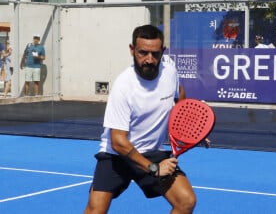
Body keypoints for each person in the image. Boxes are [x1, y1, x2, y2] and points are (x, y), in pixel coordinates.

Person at [84, 25, 204, 214]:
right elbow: (118, 142)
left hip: (152, 151)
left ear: (163, 51)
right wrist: (154, 168)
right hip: (117, 156)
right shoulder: (123, 86)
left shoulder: (170, 72)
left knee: (186, 201)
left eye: (155, 54)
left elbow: (178, 94)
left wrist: (190, 128)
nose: (149, 59)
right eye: (143, 53)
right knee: (95, 210)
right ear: (132, 50)